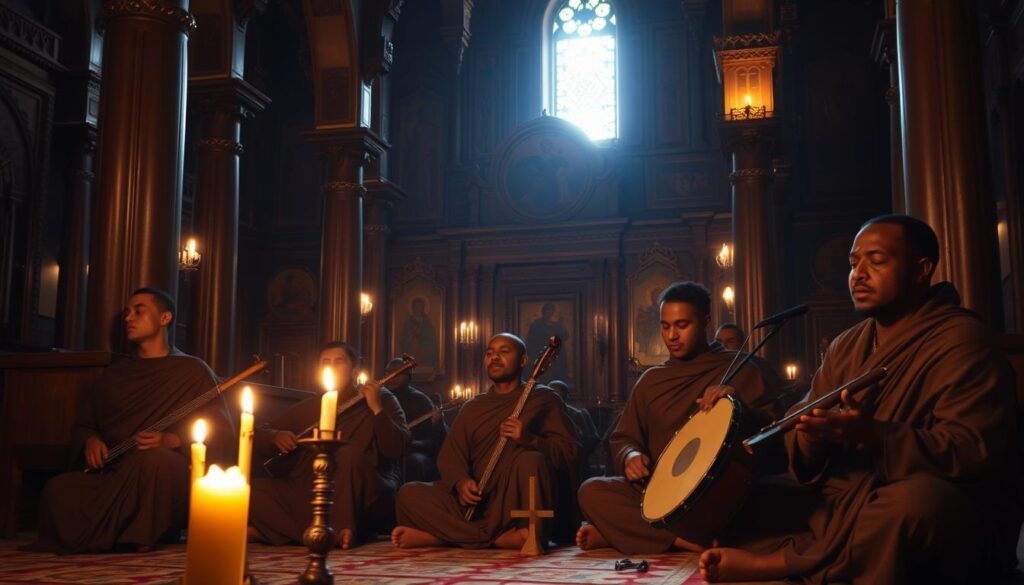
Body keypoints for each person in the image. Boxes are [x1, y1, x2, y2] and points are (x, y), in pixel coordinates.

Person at [698, 215, 1023, 584]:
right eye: (854, 264)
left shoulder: (962, 340)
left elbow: (973, 453)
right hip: (846, 499)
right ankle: (825, 555)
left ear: (921, 269)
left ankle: (780, 564)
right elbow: (801, 425)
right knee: (750, 499)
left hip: (925, 504)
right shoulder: (846, 344)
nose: (859, 274)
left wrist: (876, 434)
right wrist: (810, 435)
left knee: (915, 506)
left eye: (877, 261)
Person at [576, 281, 785, 555]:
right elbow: (624, 437)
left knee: (767, 506)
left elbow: (776, 432)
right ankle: (679, 541)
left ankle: (625, 534)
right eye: (665, 326)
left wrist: (737, 403)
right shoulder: (651, 380)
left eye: (682, 325)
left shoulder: (741, 368)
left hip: (718, 493)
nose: (672, 335)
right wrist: (630, 456)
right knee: (591, 491)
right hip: (659, 494)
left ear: (706, 321)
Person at [27, 288, 232, 554]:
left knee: (153, 461)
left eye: (139, 310)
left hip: (163, 473)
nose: (128, 318)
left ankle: (137, 535)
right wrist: (91, 440)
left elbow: (221, 430)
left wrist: (173, 440)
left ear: (164, 318)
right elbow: (86, 423)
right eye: (126, 312)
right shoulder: (114, 374)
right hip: (115, 472)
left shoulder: (192, 370)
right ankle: (115, 533)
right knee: (59, 489)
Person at [390, 333, 581, 549]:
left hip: (512, 501)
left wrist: (530, 440)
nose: (494, 357)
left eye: (504, 352)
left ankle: (447, 536)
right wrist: (461, 482)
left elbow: (571, 451)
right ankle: (493, 538)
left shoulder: (543, 399)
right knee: (408, 494)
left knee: (532, 460)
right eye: (490, 353)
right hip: (476, 501)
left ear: (523, 361)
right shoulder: (473, 407)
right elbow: (450, 455)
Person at [248, 342, 409, 549]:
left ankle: (335, 529)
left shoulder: (382, 398)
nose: (332, 366)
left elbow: (399, 447)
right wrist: (275, 436)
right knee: (250, 490)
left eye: (339, 361)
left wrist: (376, 407)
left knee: (348, 455)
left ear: (354, 369)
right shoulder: (311, 405)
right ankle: (320, 533)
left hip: (362, 486)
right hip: (309, 488)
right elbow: (260, 431)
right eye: (326, 362)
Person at [383, 357, 447, 482]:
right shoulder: (381, 398)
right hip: (388, 451)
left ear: (408, 377)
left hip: (414, 452)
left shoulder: (420, 401)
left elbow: (434, 442)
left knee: (414, 462)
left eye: (397, 374)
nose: (391, 377)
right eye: (388, 373)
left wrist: (412, 444)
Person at [548, 380, 599, 479]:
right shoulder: (544, 415)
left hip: (576, 467)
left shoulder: (577, 415)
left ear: (565, 397)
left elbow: (591, 440)